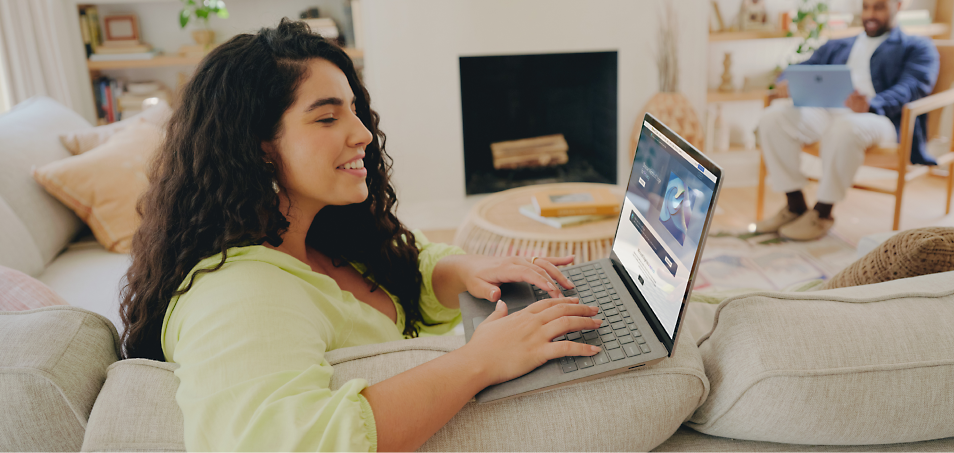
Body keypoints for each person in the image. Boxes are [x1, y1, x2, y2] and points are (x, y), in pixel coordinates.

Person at [118, 19, 603, 453]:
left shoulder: (312, 233)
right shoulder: (238, 295)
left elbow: (409, 266)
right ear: (259, 147)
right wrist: (479, 362)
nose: (364, 133)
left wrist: (471, 269)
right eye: (328, 117)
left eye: (354, 108)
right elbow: (283, 442)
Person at [756, 0, 939, 240]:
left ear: (898, 6)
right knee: (772, 118)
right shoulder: (839, 44)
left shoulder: (918, 47)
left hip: (878, 117)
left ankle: (822, 214)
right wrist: (785, 81)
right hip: (828, 112)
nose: (870, 14)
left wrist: (872, 104)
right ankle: (795, 205)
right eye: (866, 7)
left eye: (879, 8)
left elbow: (913, 87)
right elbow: (803, 67)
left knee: (845, 128)